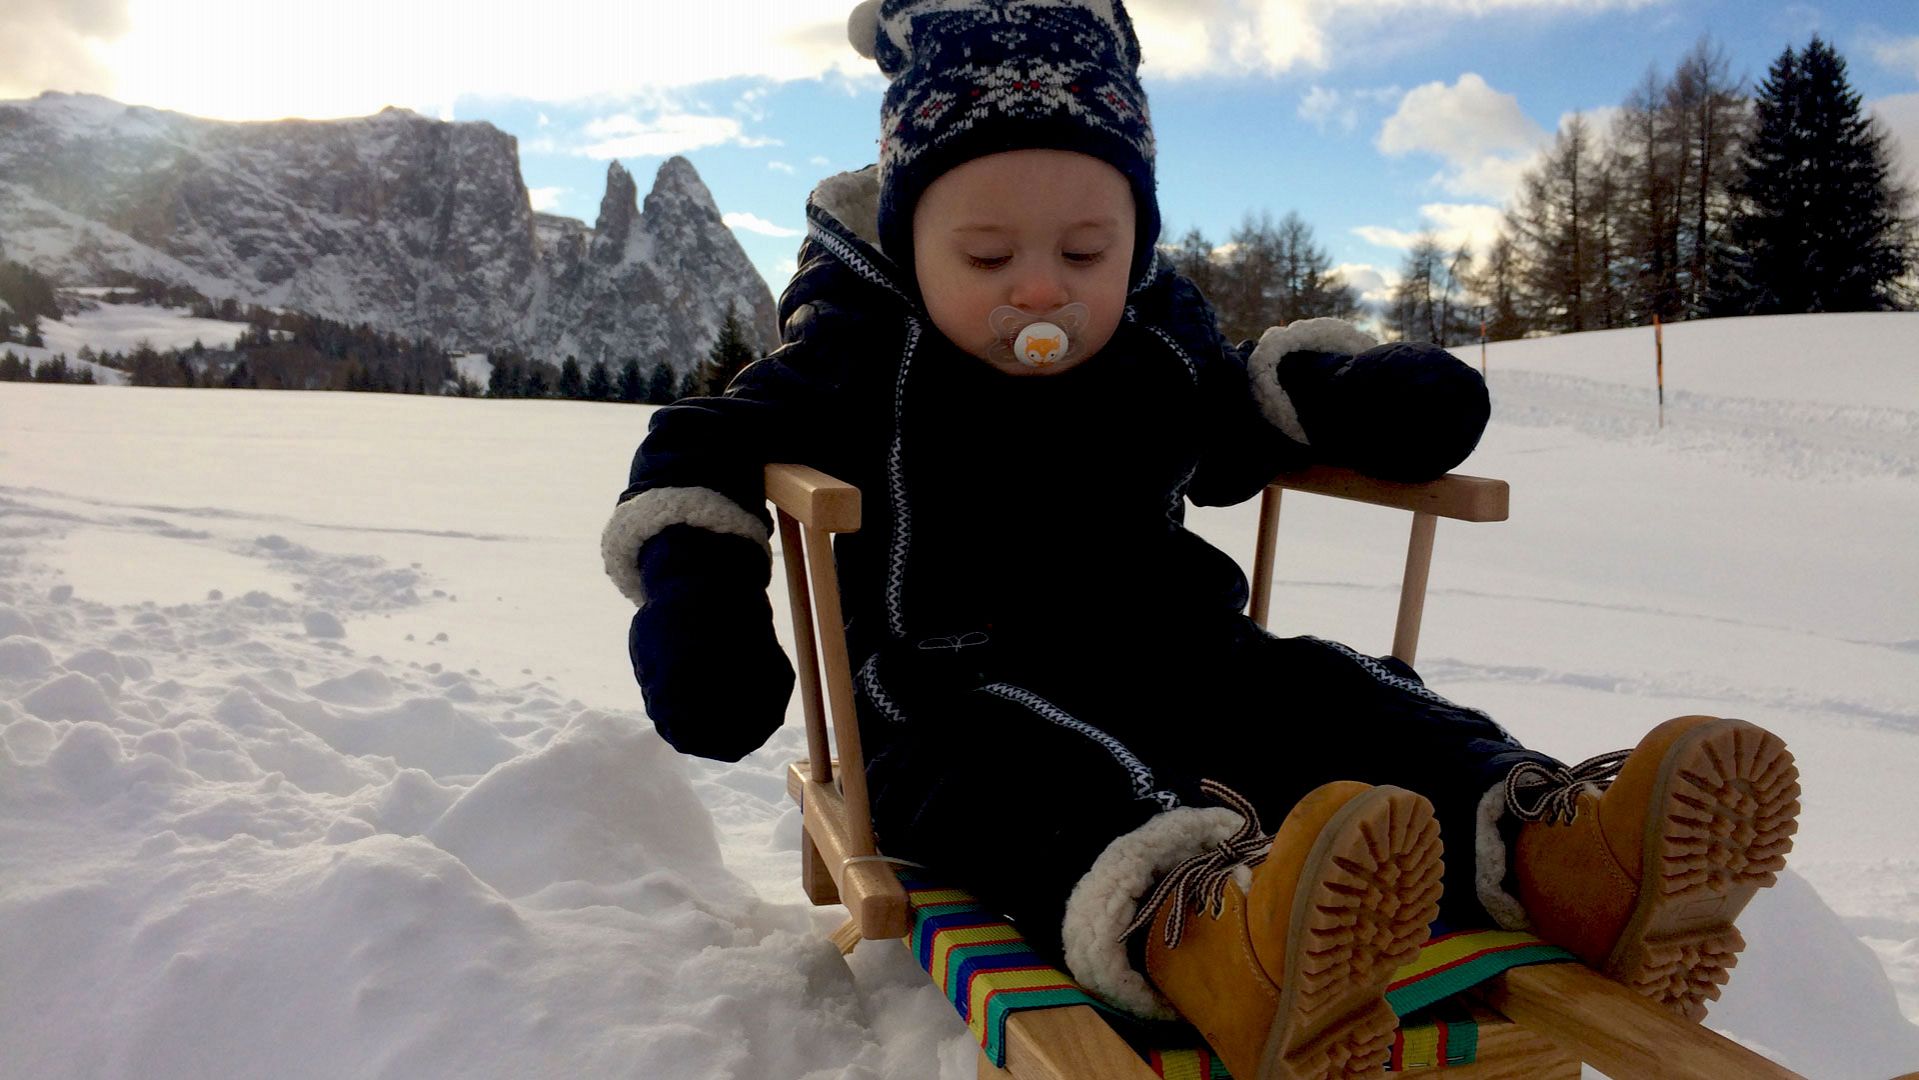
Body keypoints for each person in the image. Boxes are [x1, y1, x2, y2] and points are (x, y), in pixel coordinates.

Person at [601, 3, 1801, 1076]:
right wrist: (697, 593)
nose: (1040, 291)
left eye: (1085, 254)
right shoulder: (859, 352)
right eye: (985, 256)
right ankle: (1198, 923)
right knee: (1032, 777)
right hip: (945, 694)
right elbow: (703, 445)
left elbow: (1242, 421)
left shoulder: (1154, 347)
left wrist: (1349, 396)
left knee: (1323, 696)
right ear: (910, 239)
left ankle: (1544, 845)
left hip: (1173, 656)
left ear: (1134, 239)